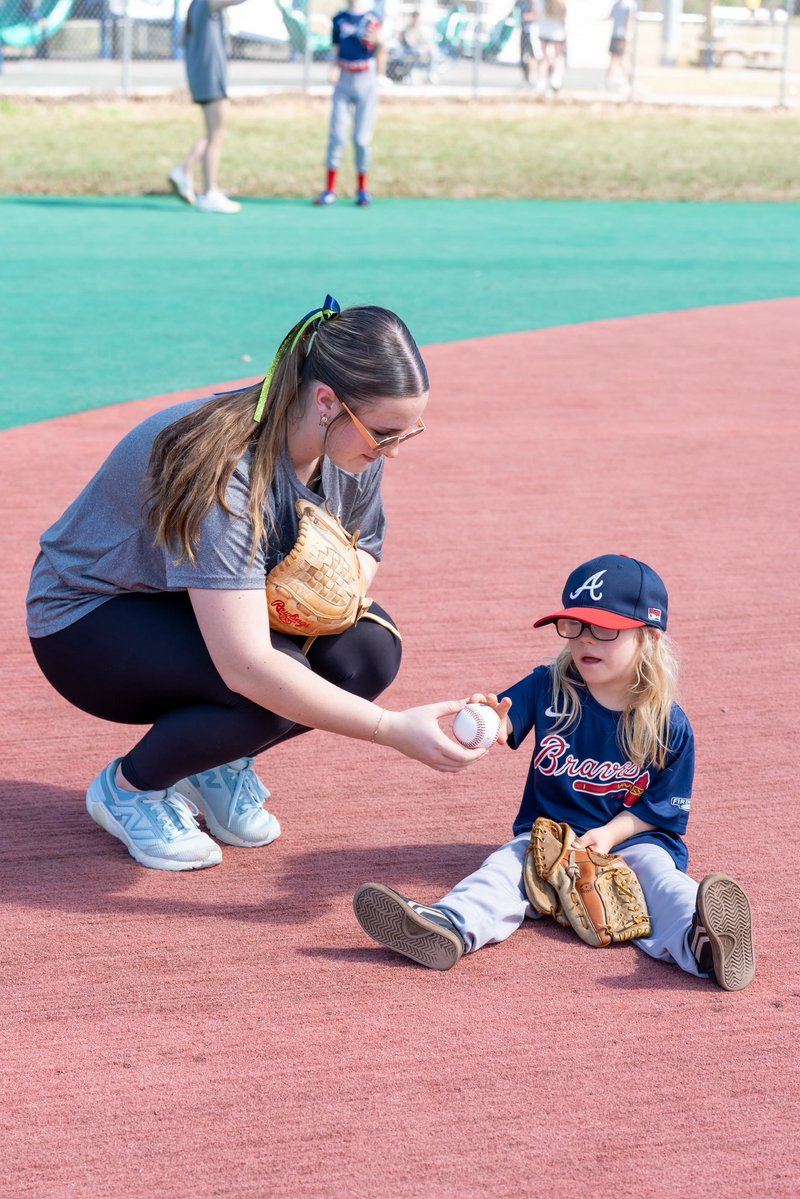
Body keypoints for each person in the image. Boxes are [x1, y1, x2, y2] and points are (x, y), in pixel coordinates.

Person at [26, 295, 486, 873]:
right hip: (88, 620)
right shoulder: (228, 469)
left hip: (187, 606)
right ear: (326, 402)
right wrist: (391, 731)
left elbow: (363, 547)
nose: (391, 449)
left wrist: (329, 597)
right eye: (385, 433)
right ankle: (130, 790)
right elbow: (247, 664)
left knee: (368, 648)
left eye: (406, 432)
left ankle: (215, 761)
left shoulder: (352, 450)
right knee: (271, 681)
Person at [354, 554, 756, 992]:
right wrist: (487, 724)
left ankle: (704, 943)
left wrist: (608, 836)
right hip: (549, 838)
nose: (586, 641)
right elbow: (505, 723)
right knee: (504, 869)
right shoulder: (548, 687)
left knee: (662, 882)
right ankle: (449, 925)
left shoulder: (667, 725)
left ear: (650, 637)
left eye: (605, 629)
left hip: (635, 839)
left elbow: (659, 811)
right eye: (574, 625)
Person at [167, 0, 247, 215]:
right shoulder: (207, 3)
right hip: (210, 77)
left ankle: (185, 171)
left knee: (213, 132)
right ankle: (209, 191)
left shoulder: (196, 6)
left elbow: (182, 39)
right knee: (217, 135)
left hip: (203, 76)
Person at [314, 0, 385, 208]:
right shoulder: (340, 19)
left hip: (366, 77)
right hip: (344, 79)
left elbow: (381, 48)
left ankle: (362, 189)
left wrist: (380, 44)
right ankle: (330, 189)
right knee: (337, 134)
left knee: (362, 138)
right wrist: (333, 67)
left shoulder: (373, 17)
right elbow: (336, 48)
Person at [535, 0, 567, 94]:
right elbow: (563, 19)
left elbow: (537, 15)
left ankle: (541, 82)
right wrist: (566, 35)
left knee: (544, 58)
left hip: (543, 31)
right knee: (559, 57)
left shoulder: (540, 2)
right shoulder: (561, 3)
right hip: (557, 33)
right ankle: (556, 80)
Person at [606, 0, 636, 90]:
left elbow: (630, 20)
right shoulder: (616, 5)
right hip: (615, 35)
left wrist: (626, 36)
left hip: (622, 36)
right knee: (614, 58)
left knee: (621, 59)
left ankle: (629, 80)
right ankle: (608, 80)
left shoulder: (629, 5)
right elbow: (610, 16)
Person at [513, 0, 541, 86]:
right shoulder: (521, 2)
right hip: (524, 31)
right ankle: (528, 76)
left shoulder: (536, 4)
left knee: (533, 56)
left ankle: (533, 77)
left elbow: (538, 16)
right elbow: (515, 11)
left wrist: (526, 17)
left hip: (533, 32)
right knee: (524, 54)